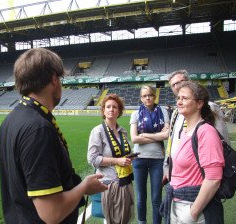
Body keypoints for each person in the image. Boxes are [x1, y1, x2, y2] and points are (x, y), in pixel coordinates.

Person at [0, 48, 107, 224]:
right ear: (54, 79)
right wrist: (83, 187)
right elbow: (52, 213)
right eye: (61, 79)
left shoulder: (9, 122)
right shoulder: (38, 128)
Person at [160, 81, 225, 224]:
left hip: (192, 208)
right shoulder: (186, 131)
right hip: (177, 203)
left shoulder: (206, 132)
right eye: (178, 98)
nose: (179, 102)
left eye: (184, 98)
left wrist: (193, 213)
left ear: (199, 103)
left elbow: (214, 179)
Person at [163, 70, 230, 183]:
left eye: (180, 81)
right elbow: (172, 141)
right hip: (177, 172)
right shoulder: (176, 112)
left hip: (199, 174)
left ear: (189, 81)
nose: (177, 86)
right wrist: (166, 166)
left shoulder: (210, 107)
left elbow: (223, 142)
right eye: (173, 85)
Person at [87, 94, 135, 224]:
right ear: (103, 110)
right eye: (108, 106)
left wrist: (129, 158)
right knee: (111, 220)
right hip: (108, 184)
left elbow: (123, 154)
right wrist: (117, 161)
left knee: (125, 219)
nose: (111, 109)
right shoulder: (97, 131)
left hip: (124, 182)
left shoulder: (123, 132)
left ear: (119, 111)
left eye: (115, 107)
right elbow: (92, 159)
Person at [130, 85, 170, 224]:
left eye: (150, 95)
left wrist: (145, 135)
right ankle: (142, 222)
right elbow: (135, 138)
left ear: (154, 96)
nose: (148, 98)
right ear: (141, 98)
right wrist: (157, 135)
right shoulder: (135, 114)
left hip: (157, 160)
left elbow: (167, 135)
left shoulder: (163, 111)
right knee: (140, 197)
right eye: (144, 96)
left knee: (156, 197)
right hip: (139, 159)